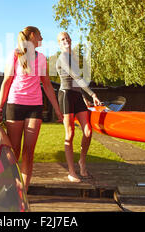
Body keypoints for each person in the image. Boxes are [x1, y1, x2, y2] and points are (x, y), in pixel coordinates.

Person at [0, 26, 63, 192]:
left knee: (28, 151)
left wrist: (57, 109)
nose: (42, 38)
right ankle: (8, 187)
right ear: (33, 35)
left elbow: (47, 85)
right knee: (14, 151)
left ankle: (23, 191)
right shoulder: (15, 54)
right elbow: (6, 82)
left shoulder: (41, 58)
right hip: (15, 104)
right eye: (40, 35)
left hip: (35, 106)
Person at [56, 32, 101, 182]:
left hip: (76, 95)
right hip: (66, 96)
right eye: (62, 39)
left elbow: (76, 82)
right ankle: (71, 171)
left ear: (70, 39)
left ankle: (82, 161)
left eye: (67, 37)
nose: (66, 40)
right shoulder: (63, 57)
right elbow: (76, 77)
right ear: (59, 43)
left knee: (88, 131)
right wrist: (92, 94)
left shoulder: (72, 58)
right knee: (70, 134)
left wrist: (83, 97)